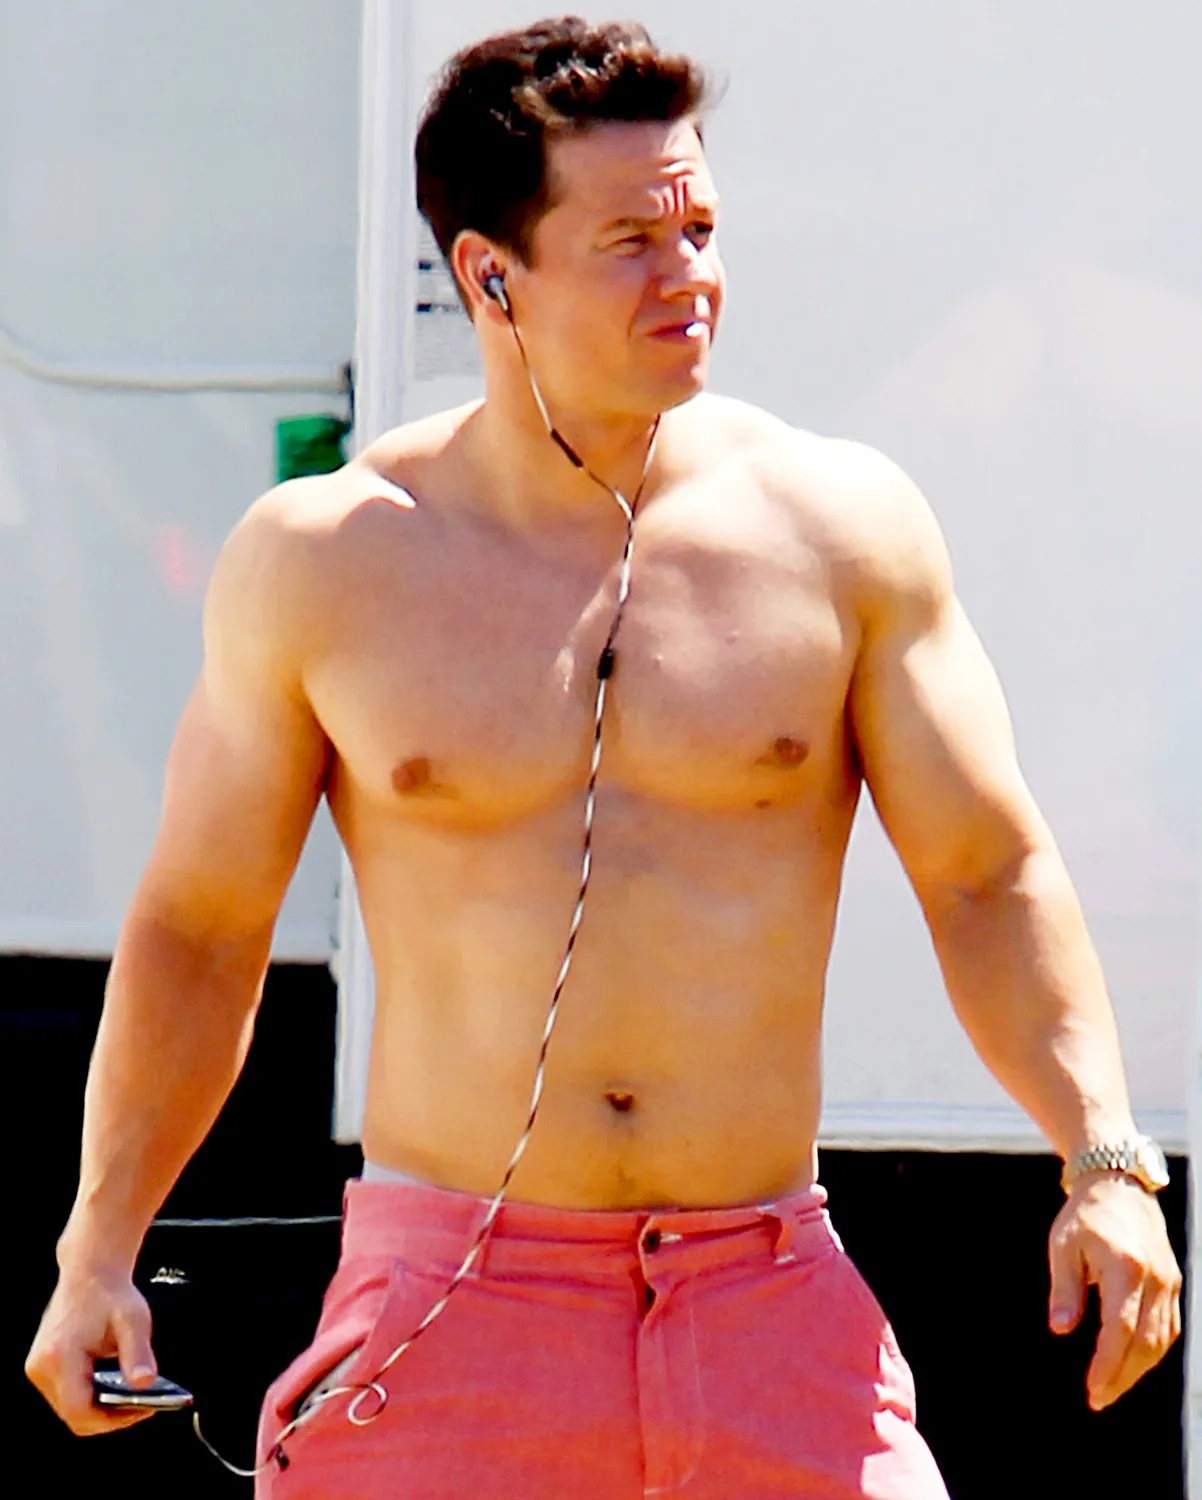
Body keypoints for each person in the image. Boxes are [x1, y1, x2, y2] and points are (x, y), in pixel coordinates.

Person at [26, 17, 1181, 1499]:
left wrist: (1102, 1157)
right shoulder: (326, 562)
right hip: (449, 1309)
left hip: (766, 1299)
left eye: (699, 227)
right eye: (630, 239)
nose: (688, 273)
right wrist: (98, 1247)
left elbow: (986, 872)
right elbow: (201, 925)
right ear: (489, 276)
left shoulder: (839, 530)